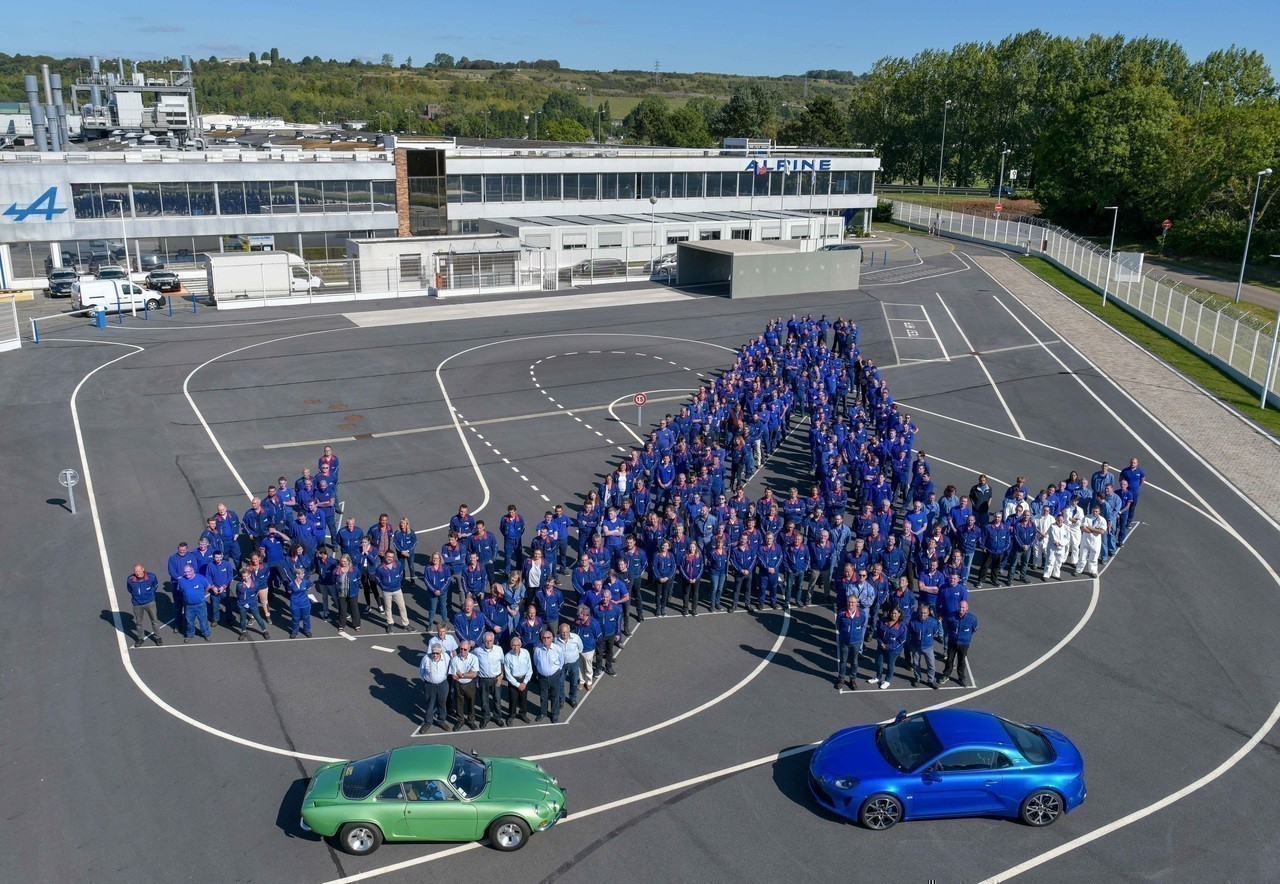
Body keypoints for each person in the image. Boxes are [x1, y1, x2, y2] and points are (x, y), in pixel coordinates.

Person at [415, 643, 453, 735]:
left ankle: (441, 721)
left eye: (437, 653)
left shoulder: (446, 658)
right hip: (430, 685)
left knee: (442, 703)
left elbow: (449, 668)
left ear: (441, 652)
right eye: (433, 653)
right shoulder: (426, 659)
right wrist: (428, 679)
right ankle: (428, 722)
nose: (435, 655)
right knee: (430, 704)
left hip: (442, 684)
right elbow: (422, 671)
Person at [942, 600, 978, 685]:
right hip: (952, 642)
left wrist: (966, 637)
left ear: (967, 608)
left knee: (961, 660)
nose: (961, 608)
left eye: (963, 607)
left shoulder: (972, 618)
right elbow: (947, 626)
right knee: (949, 659)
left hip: (964, 644)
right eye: (960, 606)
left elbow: (974, 629)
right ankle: (946, 675)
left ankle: (961, 677)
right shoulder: (951, 616)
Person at [869, 608, 908, 689]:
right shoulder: (883, 621)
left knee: (890, 665)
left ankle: (887, 680)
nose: (893, 615)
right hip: (881, 647)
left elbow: (902, 640)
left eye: (895, 613)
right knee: (879, 663)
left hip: (894, 650)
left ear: (899, 614)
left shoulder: (902, 626)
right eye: (892, 613)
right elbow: (878, 634)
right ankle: (878, 677)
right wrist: (881, 643)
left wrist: (889, 647)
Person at [473, 632, 505, 728]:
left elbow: (502, 663)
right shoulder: (477, 651)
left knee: (497, 700)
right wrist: (476, 679)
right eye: (486, 641)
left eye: (490, 641)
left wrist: (501, 676)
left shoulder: (499, 649)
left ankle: (497, 717)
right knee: (484, 701)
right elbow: (471, 660)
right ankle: (485, 717)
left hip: (496, 679)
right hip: (483, 679)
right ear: (483, 641)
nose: (488, 643)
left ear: (493, 640)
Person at [375, 551, 412, 633]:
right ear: (385, 556)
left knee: (402, 607)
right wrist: (383, 587)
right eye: (388, 556)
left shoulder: (398, 564)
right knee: (388, 608)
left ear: (393, 558)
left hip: (397, 590)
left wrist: (399, 583)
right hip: (386, 591)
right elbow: (377, 579)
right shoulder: (380, 568)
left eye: (391, 557)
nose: (390, 558)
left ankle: (406, 624)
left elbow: (401, 573)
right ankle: (390, 624)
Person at [834, 597, 867, 689]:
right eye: (849, 602)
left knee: (854, 661)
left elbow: (863, 624)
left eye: (853, 602)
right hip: (844, 641)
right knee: (843, 661)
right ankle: (841, 678)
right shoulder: (842, 613)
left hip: (856, 642)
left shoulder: (862, 614)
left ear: (857, 603)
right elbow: (838, 625)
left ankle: (852, 679)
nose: (851, 604)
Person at [126, 564, 162, 647]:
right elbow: (129, 589)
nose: (138, 573)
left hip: (150, 603)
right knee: (139, 622)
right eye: (136, 571)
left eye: (139, 571)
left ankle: (158, 637)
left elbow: (155, 586)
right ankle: (140, 638)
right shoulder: (130, 579)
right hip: (137, 604)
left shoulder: (151, 577)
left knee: (154, 620)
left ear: (143, 569)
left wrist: (150, 595)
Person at [533, 629, 564, 723]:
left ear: (552, 638)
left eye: (548, 638)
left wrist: (556, 672)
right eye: (544, 638)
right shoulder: (538, 649)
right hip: (542, 677)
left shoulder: (557, 649)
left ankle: (554, 714)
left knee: (555, 695)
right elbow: (536, 662)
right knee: (543, 696)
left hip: (554, 676)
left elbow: (561, 662)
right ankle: (543, 712)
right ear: (541, 639)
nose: (546, 639)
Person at [906, 604, 940, 688]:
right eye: (921, 613)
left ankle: (931, 680)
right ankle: (917, 678)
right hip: (916, 647)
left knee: (931, 664)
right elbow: (909, 633)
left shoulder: (933, 622)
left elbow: (935, 632)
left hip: (928, 647)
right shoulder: (913, 622)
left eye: (925, 613)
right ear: (918, 612)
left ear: (928, 613)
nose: (923, 615)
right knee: (916, 664)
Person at [166, 542, 197, 635]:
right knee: (178, 607)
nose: (182, 551)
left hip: (189, 586)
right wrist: (179, 578)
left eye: (184, 550)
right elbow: (171, 571)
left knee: (189, 606)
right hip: (177, 586)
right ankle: (178, 625)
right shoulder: (172, 558)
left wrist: (188, 578)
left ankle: (189, 625)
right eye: (180, 550)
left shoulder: (192, 556)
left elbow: (195, 568)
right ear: (178, 549)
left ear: (187, 549)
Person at [177, 563, 212, 643]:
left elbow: (208, 586)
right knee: (189, 621)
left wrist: (202, 594)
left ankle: (206, 634)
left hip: (200, 604)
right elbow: (181, 590)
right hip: (189, 606)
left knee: (203, 620)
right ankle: (190, 634)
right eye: (185, 572)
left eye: (189, 571)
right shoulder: (181, 580)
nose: (187, 573)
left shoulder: (200, 578)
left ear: (193, 571)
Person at [449, 641, 480, 730]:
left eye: (465, 649)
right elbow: (454, 676)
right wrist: (468, 673)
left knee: (471, 703)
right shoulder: (455, 659)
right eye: (461, 649)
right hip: (458, 684)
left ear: (469, 649)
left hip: (470, 684)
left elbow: (474, 674)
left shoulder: (474, 658)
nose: (462, 651)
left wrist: (462, 674)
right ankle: (460, 721)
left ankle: (471, 721)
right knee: (459, 703)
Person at [502, 635, 532, 724]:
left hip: (524, 680)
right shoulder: (507, 656)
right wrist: (518, 685)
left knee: (523, 699)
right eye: (513, 645)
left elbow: (529, 669)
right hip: (513, 681)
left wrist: (525, 682)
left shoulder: (526, 653)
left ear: (521, 645)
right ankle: (511, 715)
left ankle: (523, 714)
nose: (516, 647)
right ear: (511, 646)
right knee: (513, 699)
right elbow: (508, 674)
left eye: (517, 645)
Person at [235, 566, 271, 640]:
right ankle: (243, 632)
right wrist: (243, 602)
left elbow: (257, 592)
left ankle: (265, 631)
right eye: (243, 576)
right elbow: (238, 594)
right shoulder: (239, 585)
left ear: (250, 575)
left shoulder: (256, 584)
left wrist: (253, 598)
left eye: (246, 576)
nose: (245, 578)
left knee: (258, 618)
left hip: (253, 604)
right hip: (242, 604)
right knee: (243, 619)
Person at [556, 621, 585, 707]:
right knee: (560, 682)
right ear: (559, 631)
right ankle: (561, 699)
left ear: (569, 631)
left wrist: (573, 656)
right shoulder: (555, 640)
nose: (564, 634)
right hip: (561, 665)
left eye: (566, 632)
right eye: (563, 632)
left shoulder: (576, 638)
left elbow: (580, 648)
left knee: (574, 682)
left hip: (573, 663)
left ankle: (572, 699)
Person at [333, 554, 361, 633]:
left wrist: (356, 586)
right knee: (342, 610)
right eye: (342, 561)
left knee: (354, 609)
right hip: (341, 593)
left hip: (352, 593)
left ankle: (356, 625)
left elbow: (359, 577)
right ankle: (341, 625)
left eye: (345, 561)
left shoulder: (354, 569)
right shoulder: (337, 570)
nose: (343, 563)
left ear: (349, 561)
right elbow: (333, 578)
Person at [1079, 504, 1108, 577]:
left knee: (1094, 557)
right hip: (1086, 540)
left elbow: (1101, 531)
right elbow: (1083, 529)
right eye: (1093, 511)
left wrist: (1089, 527)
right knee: (1082, 555)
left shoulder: (1102, 520)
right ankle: (1079, 570)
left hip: (1096, 541)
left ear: (1099, 512)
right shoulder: (1086, 518)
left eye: (1096, 511)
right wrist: (1095, 530)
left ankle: (1093, 571)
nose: (1094, 513)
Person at [423, 552, 450, 626]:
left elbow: (448, 580)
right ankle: (430, 623)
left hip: (443, 592)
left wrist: (441, 590)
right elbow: (426, 580)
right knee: (432, 607)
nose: (435, 560)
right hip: (432, 592)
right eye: (434, 558)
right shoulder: (428, 568)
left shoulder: (445, 568)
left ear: (440, 559)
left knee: (443, 606)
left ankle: (445, 622)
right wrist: (434, 590)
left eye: (437, 558)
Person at [285, 566, 313, 639]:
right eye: (302, 574)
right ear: (297, 575)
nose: (303, 575)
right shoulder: (291, 584)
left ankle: (307, 630)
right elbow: (289, 591)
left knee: (306, 618)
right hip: (295, 605)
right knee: (295, 619)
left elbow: (308, 588)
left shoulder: (306, 582)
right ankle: (294, 631)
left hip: (305, 604)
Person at [650, 540, 676, 617]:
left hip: (667, 578)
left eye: (666, 546)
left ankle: (663, 608)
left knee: (665, 593)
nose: (664, 547)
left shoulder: (671, 555)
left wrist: (668, 577)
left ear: (669, 547)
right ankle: (658, 608)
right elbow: (654, 567)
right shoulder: (656, 555)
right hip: (659, 578)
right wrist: (659, 577)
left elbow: (673, 567)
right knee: (658, 594)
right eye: (663, 545)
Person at [678, 542, 704, 617]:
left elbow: (701, 568)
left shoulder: (699, 556)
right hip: (687, 579)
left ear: (696, 548)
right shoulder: (684, 556)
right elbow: (681, 568)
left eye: (693, 547)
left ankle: (694, 609)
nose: (692, 549)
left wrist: (696, 578)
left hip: (696, 579)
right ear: (688, 548)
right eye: (691, 547)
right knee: (686, 593)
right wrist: (687, 578)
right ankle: (685, 608)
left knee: (695, 594)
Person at [1044, 513, 1071, 580]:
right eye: (1058, 520)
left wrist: (1061, 543)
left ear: (1063, 520)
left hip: (1061, 548)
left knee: (1059, 561)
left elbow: (1067, 538)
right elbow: (1052, 536)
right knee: (1050, 561)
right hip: (1052, 547)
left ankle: (1056, 574)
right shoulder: (1052, 526)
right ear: (1056, 519)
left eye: (1061, 520)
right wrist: (1056, 542)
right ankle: (1046, 575)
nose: (1060, 521)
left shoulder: (1066, 527)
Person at [393, 518, 418, 584]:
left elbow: (414, 542)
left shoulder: (411, 533)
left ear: (407, 524)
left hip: (410, 553)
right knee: (401, 567)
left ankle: (412, 580)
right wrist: (402, 551)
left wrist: (408, 551)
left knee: (411, 566)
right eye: (401, 523)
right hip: (401, 553)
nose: (402, 525)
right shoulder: (397, 533)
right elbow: (395, 543)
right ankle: (402, 580)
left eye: (404, 523)